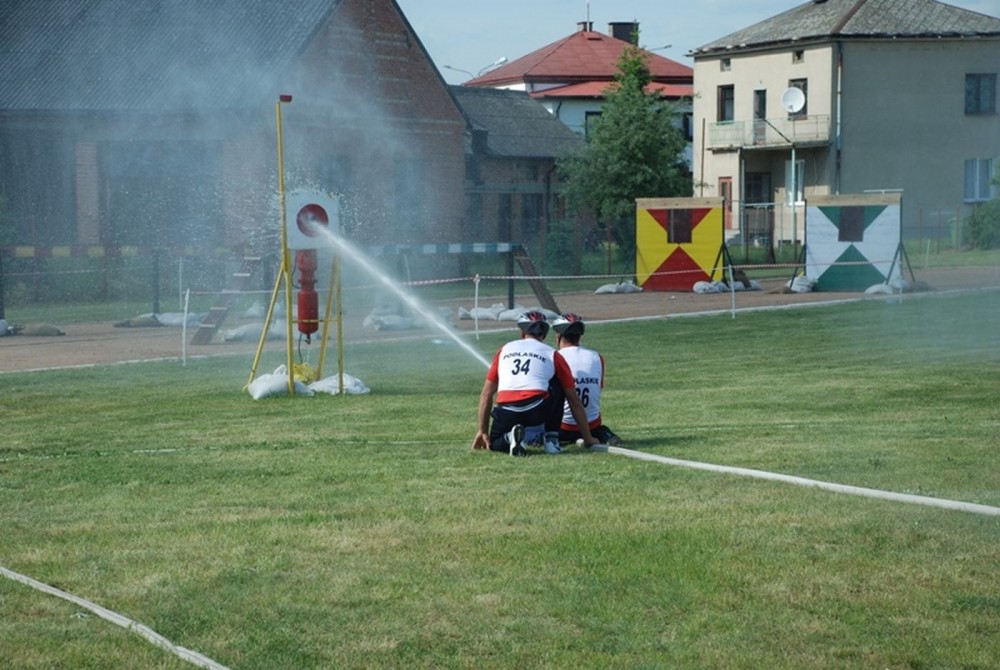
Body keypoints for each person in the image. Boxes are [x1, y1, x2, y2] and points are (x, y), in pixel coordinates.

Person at [473, 311, 599, 456]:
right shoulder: (553, 354)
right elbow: (573, 399)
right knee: (560, 383)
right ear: (544, 335)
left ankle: (509, 438)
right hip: (537, 411)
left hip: (507, 411)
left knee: (494, 443)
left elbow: (486, 394)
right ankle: (551, 440)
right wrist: (587, 437)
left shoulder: (504, 349)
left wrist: (482, 431)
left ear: (522, 333)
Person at [552, 313, 623, 447]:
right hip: (592, 425)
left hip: (563, 426)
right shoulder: (597, 357)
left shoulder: (554, 357)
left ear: (558, 336)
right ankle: (603, 434)